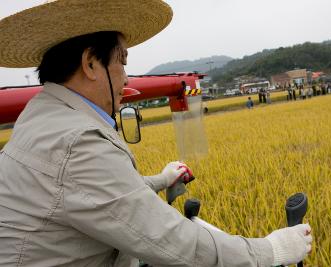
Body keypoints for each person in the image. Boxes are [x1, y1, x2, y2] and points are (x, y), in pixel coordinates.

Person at [0, 1, 312, 266]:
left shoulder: (41, 117)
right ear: (91, 63)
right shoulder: (77, 142)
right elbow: (172, 242)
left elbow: (96, 195)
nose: (126, 77)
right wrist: (271, 250)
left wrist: (161, 180)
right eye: (122, 61)